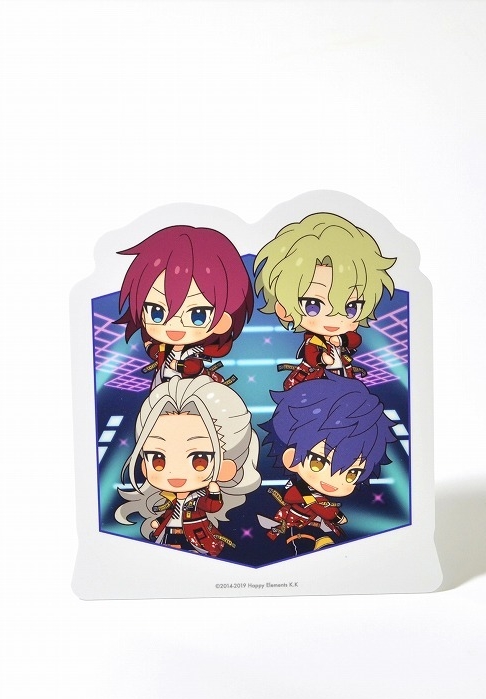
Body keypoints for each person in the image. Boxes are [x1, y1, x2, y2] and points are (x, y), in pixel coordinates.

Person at [115, 376, 261, 557]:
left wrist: (214, 493)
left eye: (199, 459)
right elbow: (169, 514)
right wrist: (158, 523)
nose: (175, 471)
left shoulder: (199, 499)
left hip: (195, 537)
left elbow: (212, 506)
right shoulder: (169, 499)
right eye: (158, 458)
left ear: (225, 468)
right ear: (144, 465)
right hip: (169, 536)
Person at [253, 213, 395, 389]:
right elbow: (310, 354)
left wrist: (341, 342)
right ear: (284, 309)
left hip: (343, 375)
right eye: (313, 305)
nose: (334, 318)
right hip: (315, 378)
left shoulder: (345, 335)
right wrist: (322, 359)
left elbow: (355, 339)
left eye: (351, 307)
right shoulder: (313, 341)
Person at [259, 374, 395, 553]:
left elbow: (322, 509)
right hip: (299, 526)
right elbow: (302, 500)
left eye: (352, 473)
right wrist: (331, 514)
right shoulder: (301, 491)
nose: (334, 478)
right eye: (319, 462)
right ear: (291, 459)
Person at [116, 225, 254, 388]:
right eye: (156, 312)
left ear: (222, 321)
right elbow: (154, 351)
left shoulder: (195, 351)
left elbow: (193, 367)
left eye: (197, 315)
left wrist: (175, 364)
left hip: (189, 389)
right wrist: (150, 347)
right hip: (162, 386)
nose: (173, 324)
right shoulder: (162, 347)